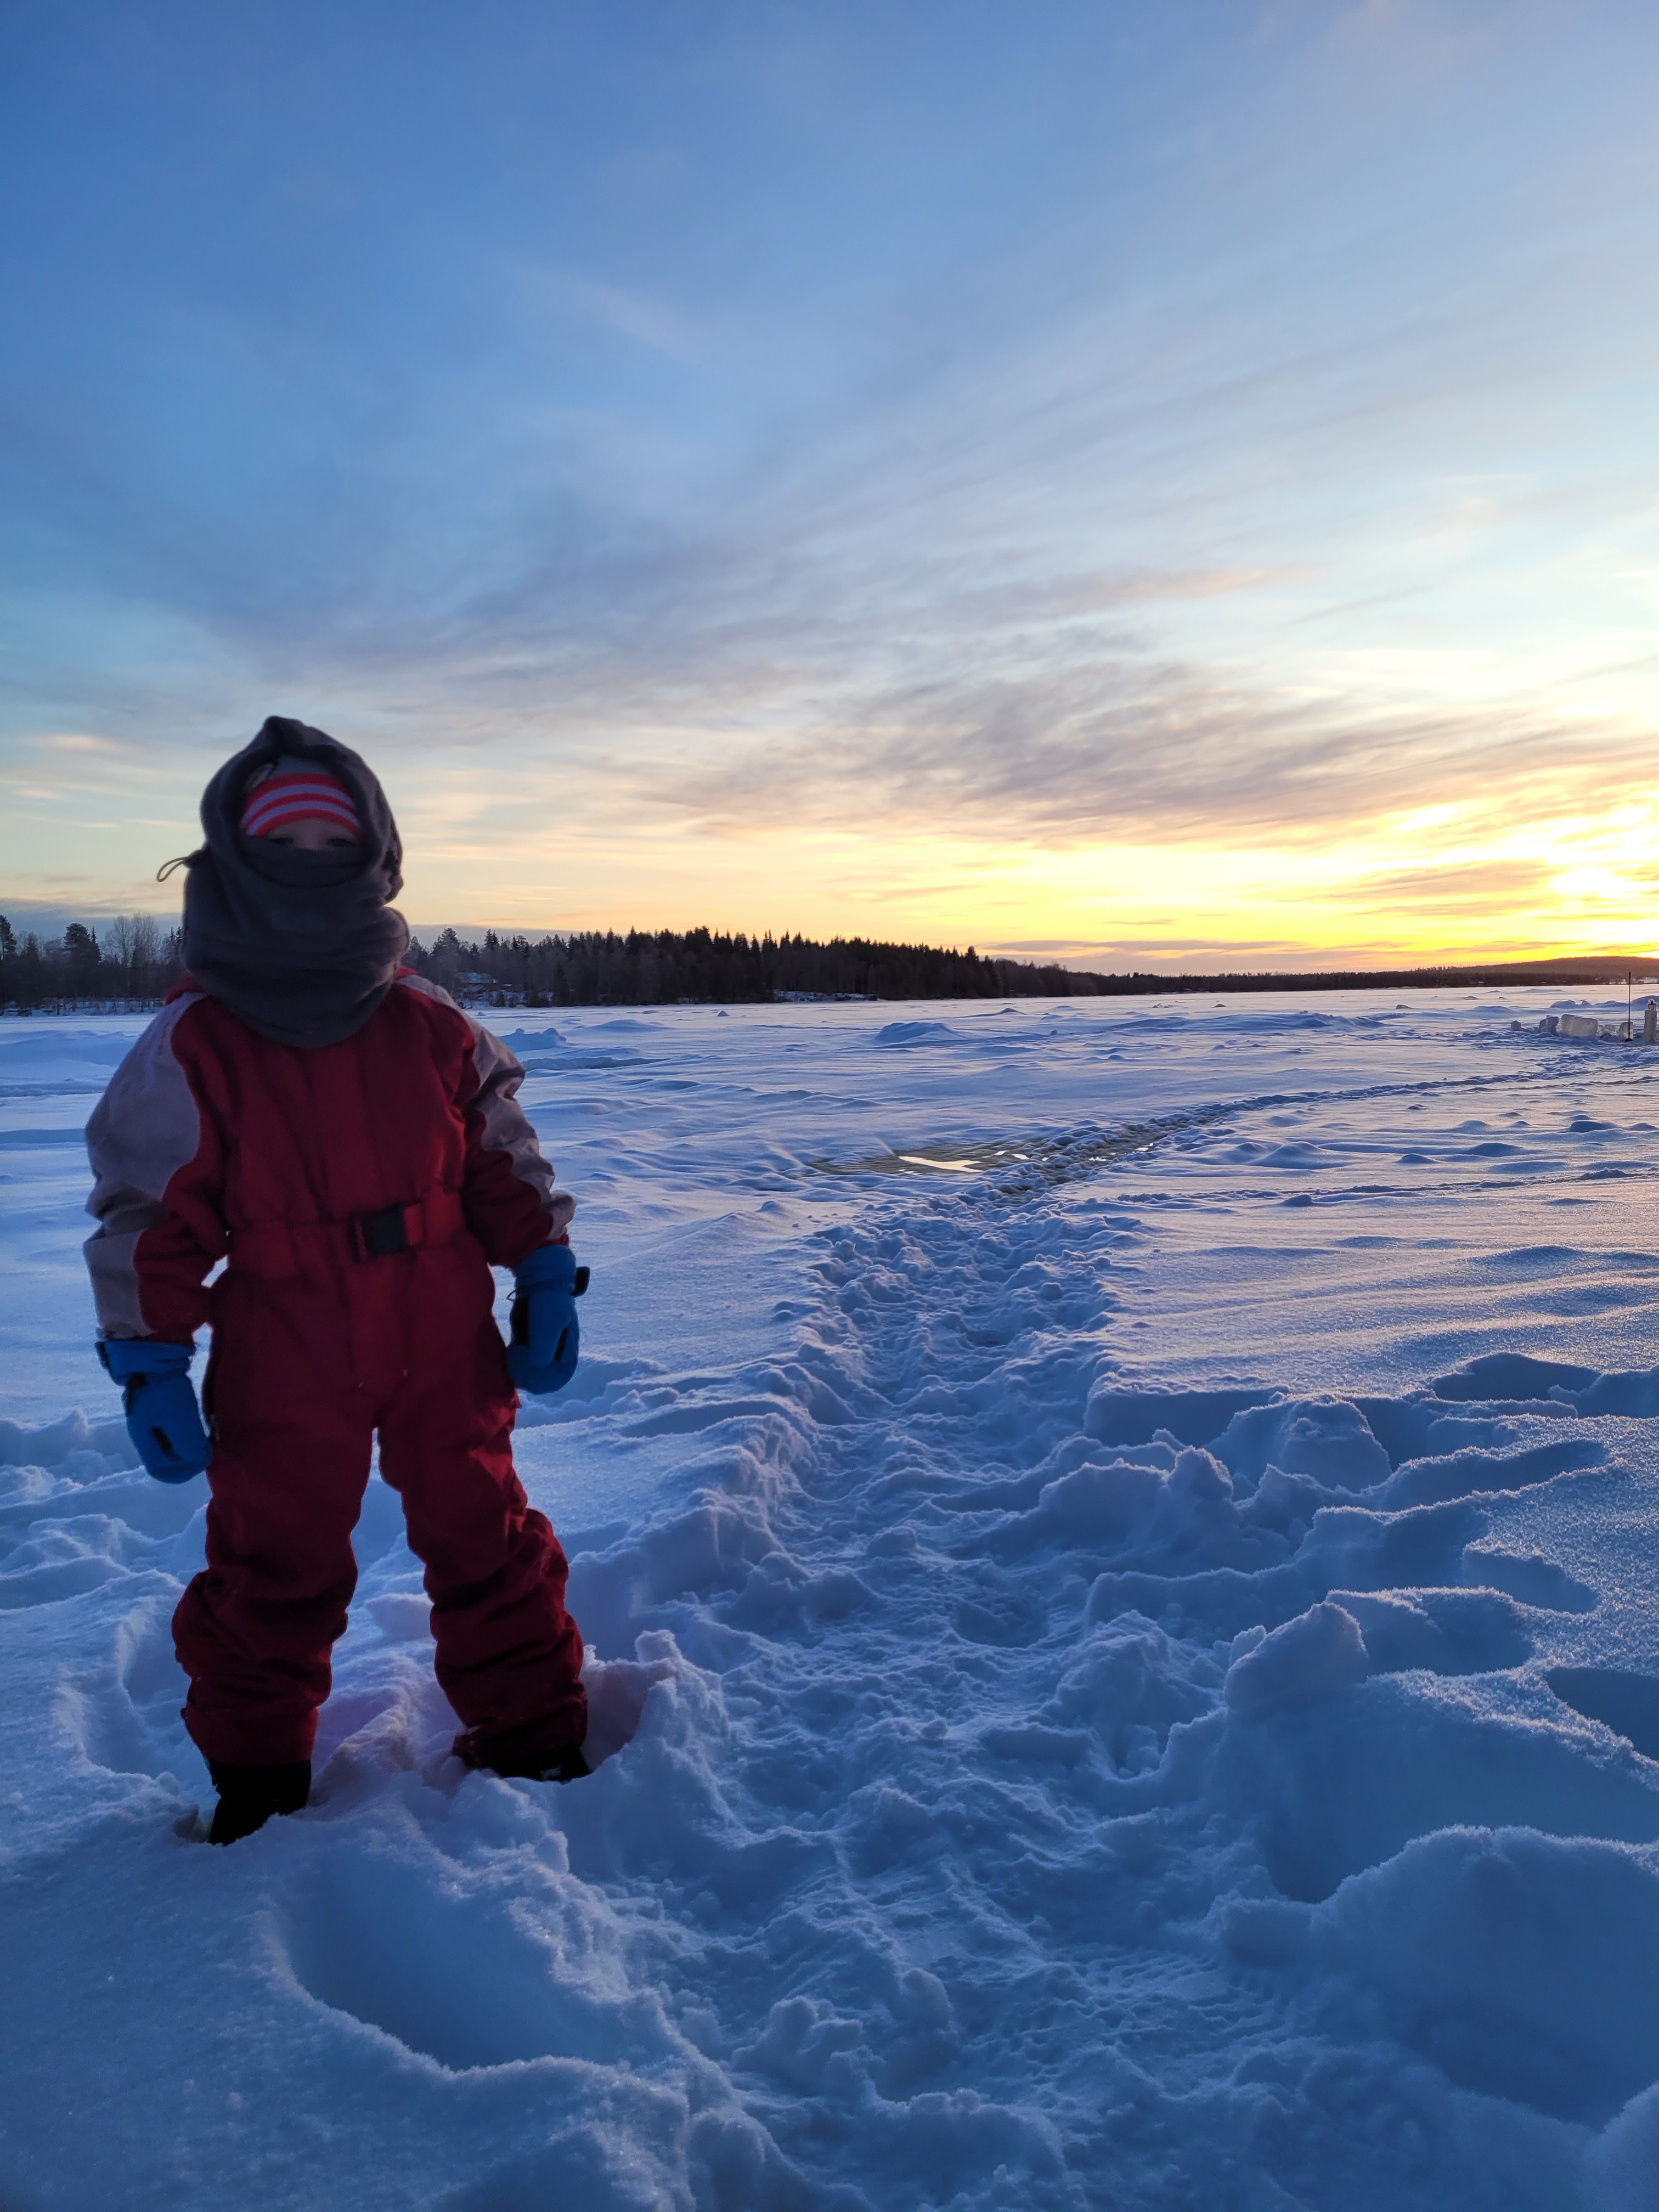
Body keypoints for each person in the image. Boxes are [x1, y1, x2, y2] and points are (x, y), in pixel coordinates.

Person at [84, 716, 589, 1844]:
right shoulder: (197, 1040)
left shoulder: (429, 1024)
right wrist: (148, 1359)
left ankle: (536, 1731)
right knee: (272, 1557)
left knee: (481, 1527)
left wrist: (547, 1269)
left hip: (436, 1315)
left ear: (373, 852)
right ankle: (256, 1782)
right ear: (238, 860)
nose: (311, 860)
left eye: (332, 838)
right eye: (284, 841)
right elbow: (148, 1212)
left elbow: (504, 1156)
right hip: (283, 1334)